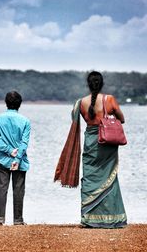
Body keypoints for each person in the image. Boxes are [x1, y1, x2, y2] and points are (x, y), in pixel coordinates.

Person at [54, 71, 127, 228]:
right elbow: (122, 118)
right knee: (110, 178)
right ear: (101, 84)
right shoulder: (109, 99)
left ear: (88, 84)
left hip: (90, 143)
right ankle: (111, 217)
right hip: (107, 143)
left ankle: (88, 218)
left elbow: (74, 118)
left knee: (90, 177)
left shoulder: (80, 103)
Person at [0, 91, 31, 226]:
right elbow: (24, 143)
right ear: (19, 104)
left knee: (1, 188)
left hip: (2, 159)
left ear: (6, 103)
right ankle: (18, 220)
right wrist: (18, 158)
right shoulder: (25, 121)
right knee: (18, 189)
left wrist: (9, 151)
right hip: (20, 161)